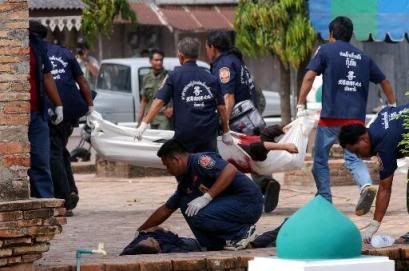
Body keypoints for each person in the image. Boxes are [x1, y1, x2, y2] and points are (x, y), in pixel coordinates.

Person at [296, 16, 396, 216]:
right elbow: (384, 81)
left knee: (320, 158)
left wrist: (300, 103)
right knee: (352, 157)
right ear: (350, 35)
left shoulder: (325, 50)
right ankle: (366, 185)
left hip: (331, 119)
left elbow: (309, 76)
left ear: (331, 34)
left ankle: (325, 198)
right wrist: (392, 105)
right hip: (355, 121)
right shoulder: (363, 57)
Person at [136, 139, 264, 251]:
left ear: (176, 160)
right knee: (185, 203)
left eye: (168, 165)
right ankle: (215, 244)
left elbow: (230, 170)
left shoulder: (200, 161)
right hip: (231, 206)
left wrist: (207, 197)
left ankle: (242, 233)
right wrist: (141, 231)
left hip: (248, 202)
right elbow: (167, 208)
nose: (168, 171)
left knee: (199, 215)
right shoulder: (185, 179)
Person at [206, 31, 279, 213]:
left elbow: (228, 97)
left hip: (238, 118)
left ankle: (241, 195)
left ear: (212, 48)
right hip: (250, 114)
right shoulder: (236, 60)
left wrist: (224, 125)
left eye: (206, 47)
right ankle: (266, 182)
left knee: (231, 156)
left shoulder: (224, 65)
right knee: (252, 151)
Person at [32, 27, 94, 214]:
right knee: (59, 151)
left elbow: (47, 79)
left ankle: (64, 198)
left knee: (52, 154)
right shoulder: (64, 53)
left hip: (50, 111)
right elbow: (82, 81)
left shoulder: (35, 51)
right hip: (69, 112)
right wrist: (90, 106)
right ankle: (70, 190)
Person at [135, 37, 232, 152]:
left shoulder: (174, 76)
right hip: (208, 135)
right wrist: (226, 132)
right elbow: (221, 107)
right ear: (197, 54)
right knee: (207, 165)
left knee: (186, 166)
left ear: (180, 55)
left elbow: (159, 101)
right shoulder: (210, 77)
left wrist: (143, 125)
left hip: (185, 135)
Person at [339, 104, 409, 242]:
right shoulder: (378, 121)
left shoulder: (385, 146)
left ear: (363, 139)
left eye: (357, 151)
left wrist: (373, 225)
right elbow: (388, 108)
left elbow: (385, 189)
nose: (359, 156)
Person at [28, 21, 64, 198]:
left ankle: (46, 203)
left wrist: (58, 104)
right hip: (10, 115)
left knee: (41, 161)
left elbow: (47, 76)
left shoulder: (36, 44)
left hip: (36, 112)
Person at [137, 49, 172, 130]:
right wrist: (140, 120)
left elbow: (176, 95)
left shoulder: (169, 76)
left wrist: (172, 109)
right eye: (156, 60)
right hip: (151, 117)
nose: (159, 62)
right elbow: (144, 100)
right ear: (150, 61)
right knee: (152, 141)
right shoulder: (146, 77)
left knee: (162, 140)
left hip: (164, 117)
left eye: (161, 60)